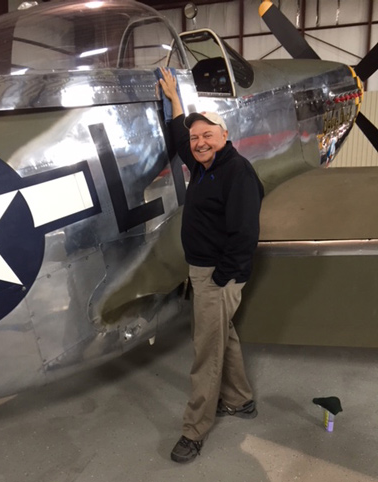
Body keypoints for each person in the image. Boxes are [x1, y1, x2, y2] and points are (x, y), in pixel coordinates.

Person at [159, 68, 264, 463]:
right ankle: (240, 400)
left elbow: (244, 235)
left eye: (208, 135)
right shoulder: (205, 164)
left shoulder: (237, 173)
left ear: (225, 137)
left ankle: (194, 430)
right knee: (224, 337)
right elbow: (179, 139)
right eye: (195, 137)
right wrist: (174, 103)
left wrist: (221, 280)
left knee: (206, 353)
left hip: (217, 276)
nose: (199, 143)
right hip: (204, 273)